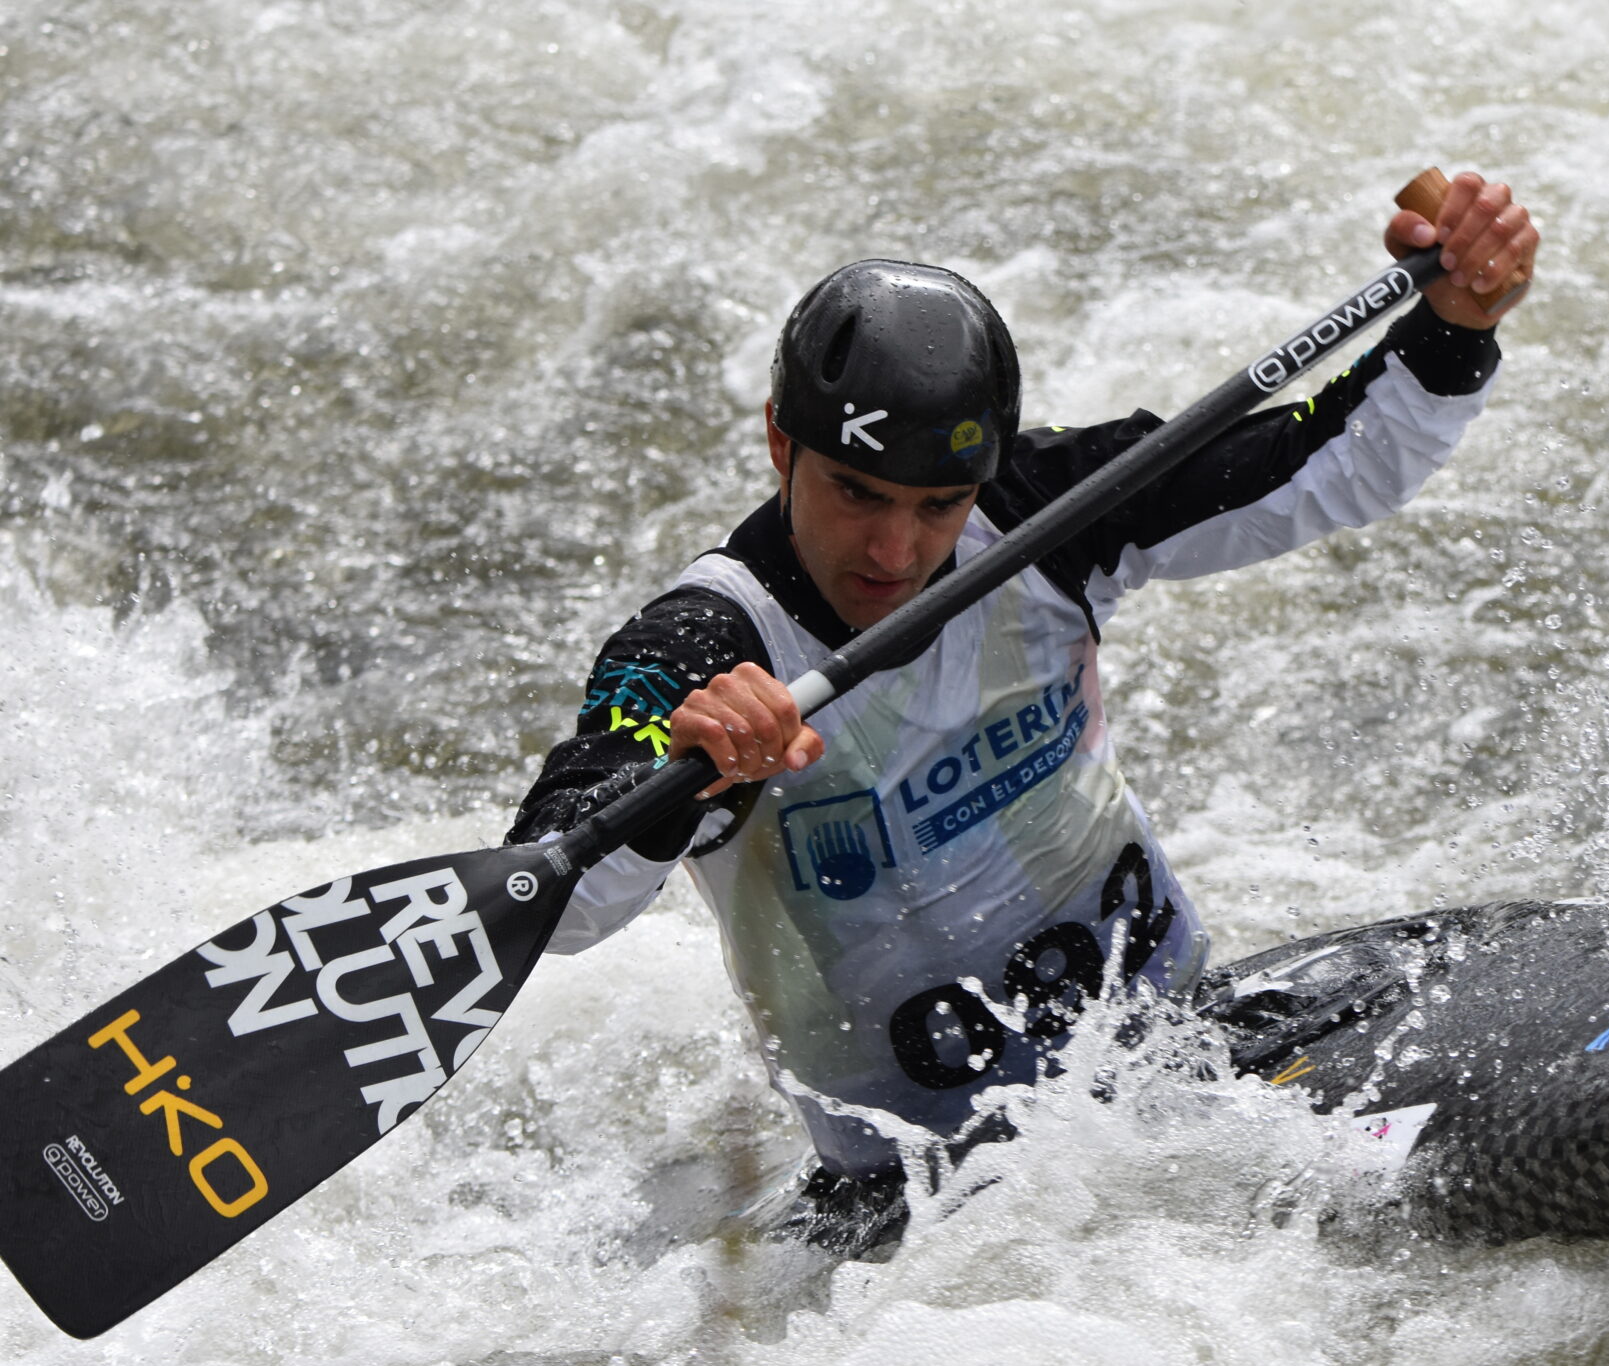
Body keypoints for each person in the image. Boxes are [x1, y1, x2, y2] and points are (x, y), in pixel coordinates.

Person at [508, 174, 1539, 1238]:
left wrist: (1453, 327)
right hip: (921, 1199)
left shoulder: (1047, 511)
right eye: (856, 493)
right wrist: (686, 782)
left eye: (937, 505)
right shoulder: (702, 648)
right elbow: (557, 901)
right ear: (782, 444)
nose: (895, 553)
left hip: (1178, 1050)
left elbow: (1324, 468)